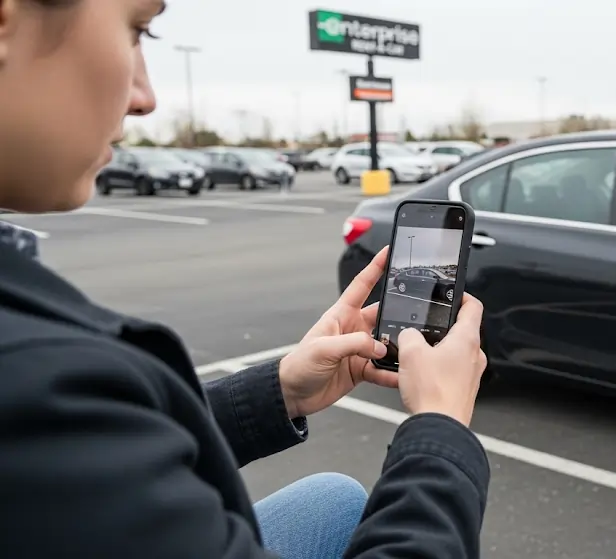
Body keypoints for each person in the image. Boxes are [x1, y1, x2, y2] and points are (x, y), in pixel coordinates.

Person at [0, 1, 490, 558]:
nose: (145, 96)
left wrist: (276, 392)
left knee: (331, 500)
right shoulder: (29, 380)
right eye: (138, 29)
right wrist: (441, 432)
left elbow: (89, 460)